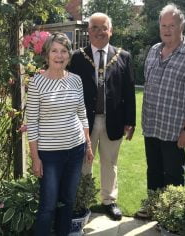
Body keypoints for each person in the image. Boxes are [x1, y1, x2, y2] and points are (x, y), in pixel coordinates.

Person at [137, 3, 185, 217]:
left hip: (174, 129)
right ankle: (152, 207)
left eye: (172, 25)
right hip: (151, 125)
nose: (167, 30)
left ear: (182, 26)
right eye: (163, 25)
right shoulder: (153, 50)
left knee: (172, 173)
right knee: (153, 170)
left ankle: (171, 215)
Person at [69, 12, 136, 221]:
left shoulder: (123, 57)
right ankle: (81, 200)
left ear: (111, 31)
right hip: (83, 122)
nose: (99, 32)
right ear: (88, 32)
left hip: (112, 120)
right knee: (83, 163)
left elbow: (129, 91)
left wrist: (130, 121)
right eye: (94, 28)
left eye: (103, 27)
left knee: (110, 162)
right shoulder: (78, 57)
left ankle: (109, 201)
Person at [26, 32, 94, 236]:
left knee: (68, 201)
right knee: (48, 205)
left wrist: (88, 144)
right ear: (47, 55)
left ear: (69, 56)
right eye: (54, 50)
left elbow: (82, 113)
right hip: (50, 155)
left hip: (75, 150)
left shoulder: (76, 80)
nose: (59, 55)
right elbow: (32, 123)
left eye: (64, 51)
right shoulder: (36, 83)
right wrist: (35, 157)